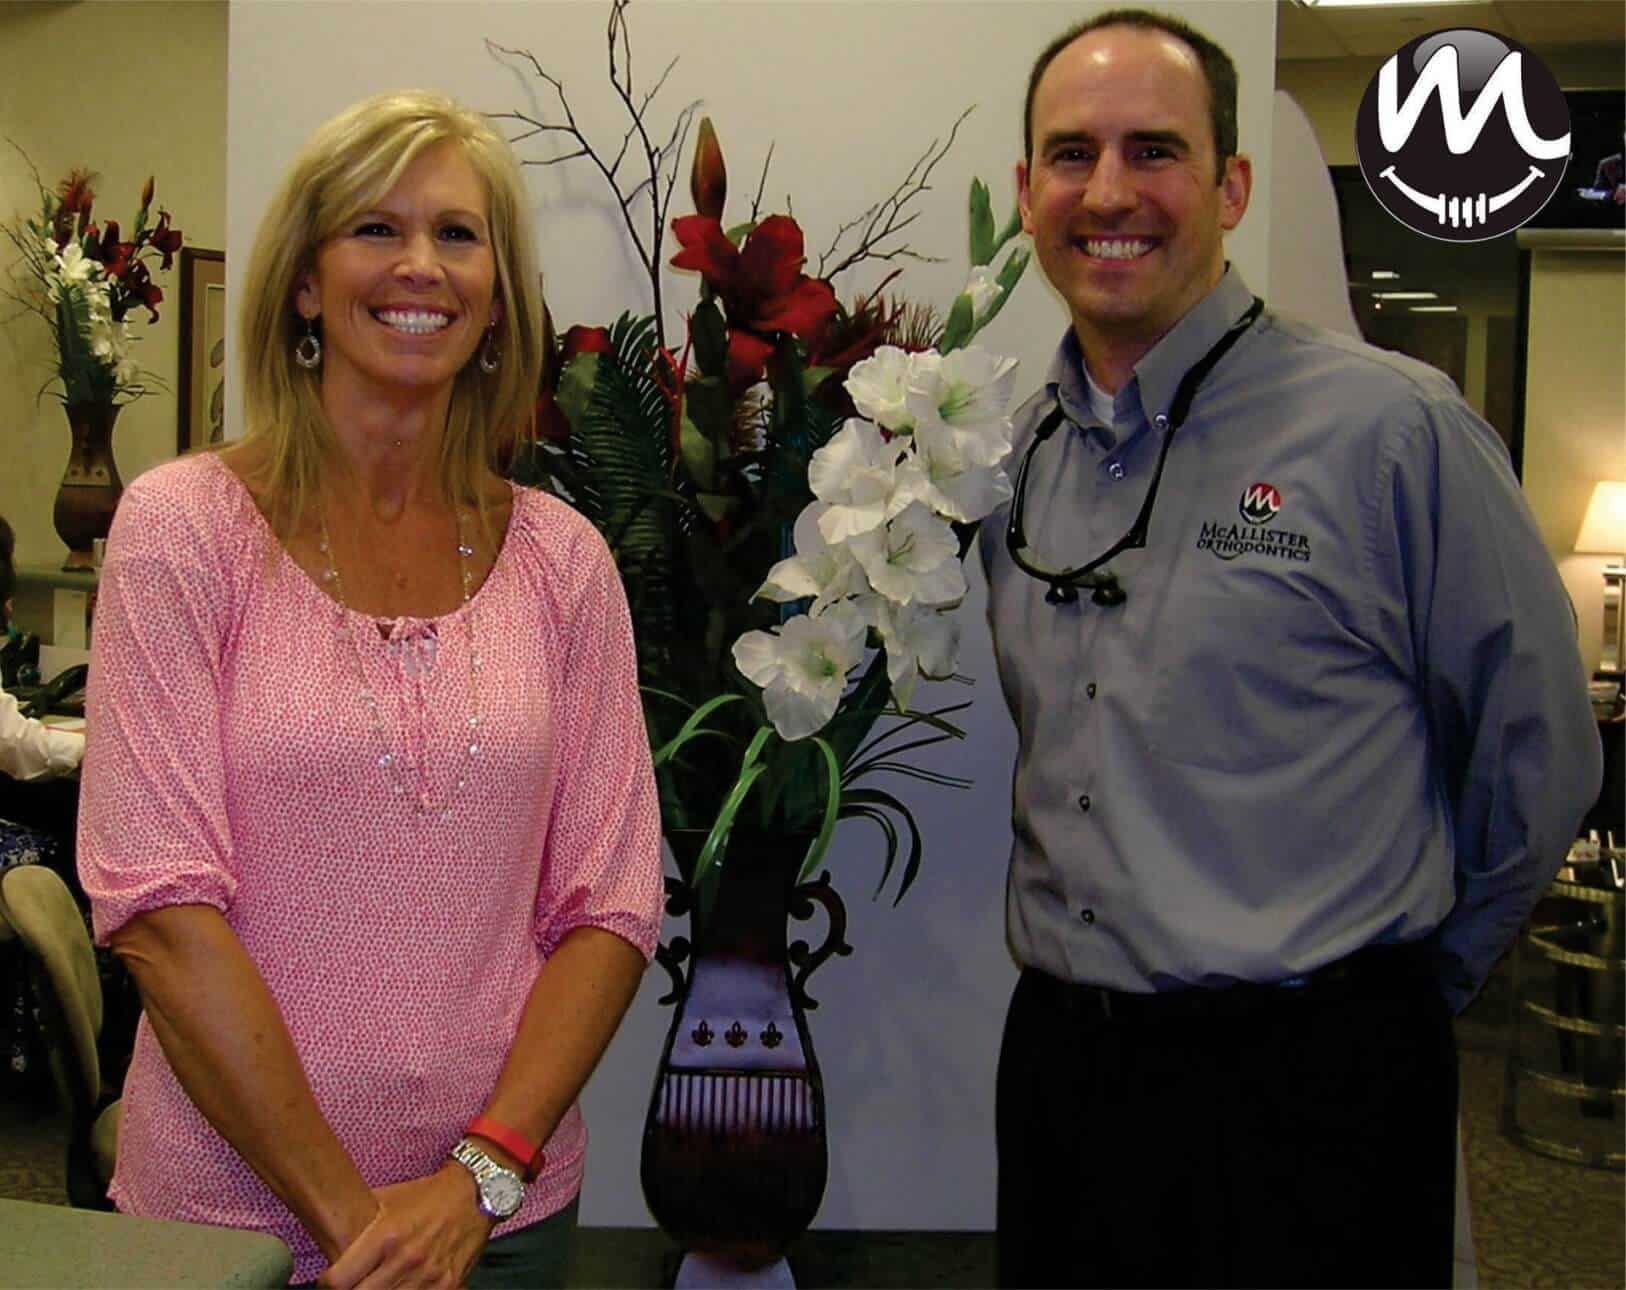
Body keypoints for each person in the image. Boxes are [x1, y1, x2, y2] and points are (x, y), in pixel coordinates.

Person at [979, 11, 1602, 1287]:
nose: (1109, 193)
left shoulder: (1391, 432)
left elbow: (1538, 760)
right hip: (1067, 1073)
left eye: (1155, 150)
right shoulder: (1008, 453)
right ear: (1024, 191)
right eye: (1070, 154)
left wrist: (1405, 992)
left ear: (1232, 185)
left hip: (1315, 1094)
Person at [77, 90, 663, 1288]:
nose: (420, 267)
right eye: (374, 229)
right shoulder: (183, 531)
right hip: (222, 1229)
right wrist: (360, 1226)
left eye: (459, 235)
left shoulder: (565, 563)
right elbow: (158, 912)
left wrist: (476, 1182)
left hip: (499, 1225)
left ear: (497, 294)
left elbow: (612, 902)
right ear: (304, 281)